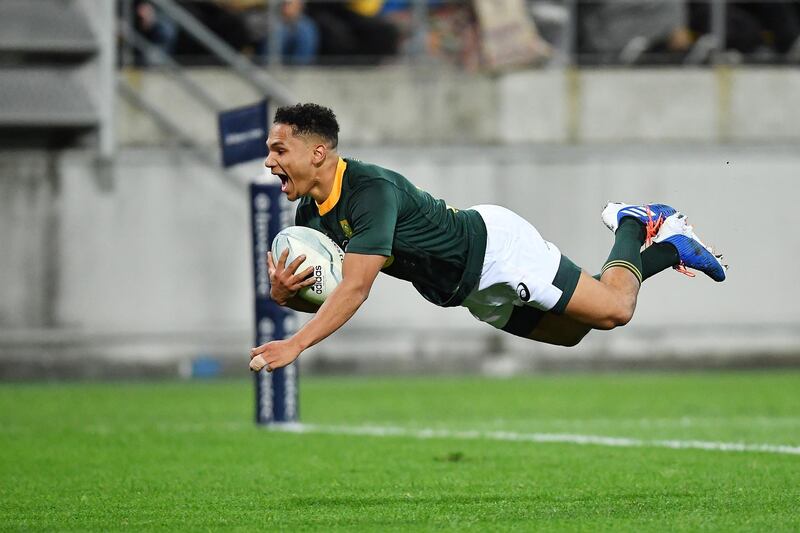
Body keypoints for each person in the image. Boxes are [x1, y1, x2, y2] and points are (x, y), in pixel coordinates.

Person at [249, 103, 727, 373]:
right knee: (574, 333)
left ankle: (631, 221)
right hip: (467, 290)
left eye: (278, 149)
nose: (270, 161)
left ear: (317, 153)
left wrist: (295, 345)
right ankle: (669, 248)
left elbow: (355, 288)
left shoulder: (368, 190)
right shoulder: (309, 212)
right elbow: (327, 290)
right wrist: (284, 296)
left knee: (614, 312)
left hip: (497, 250)